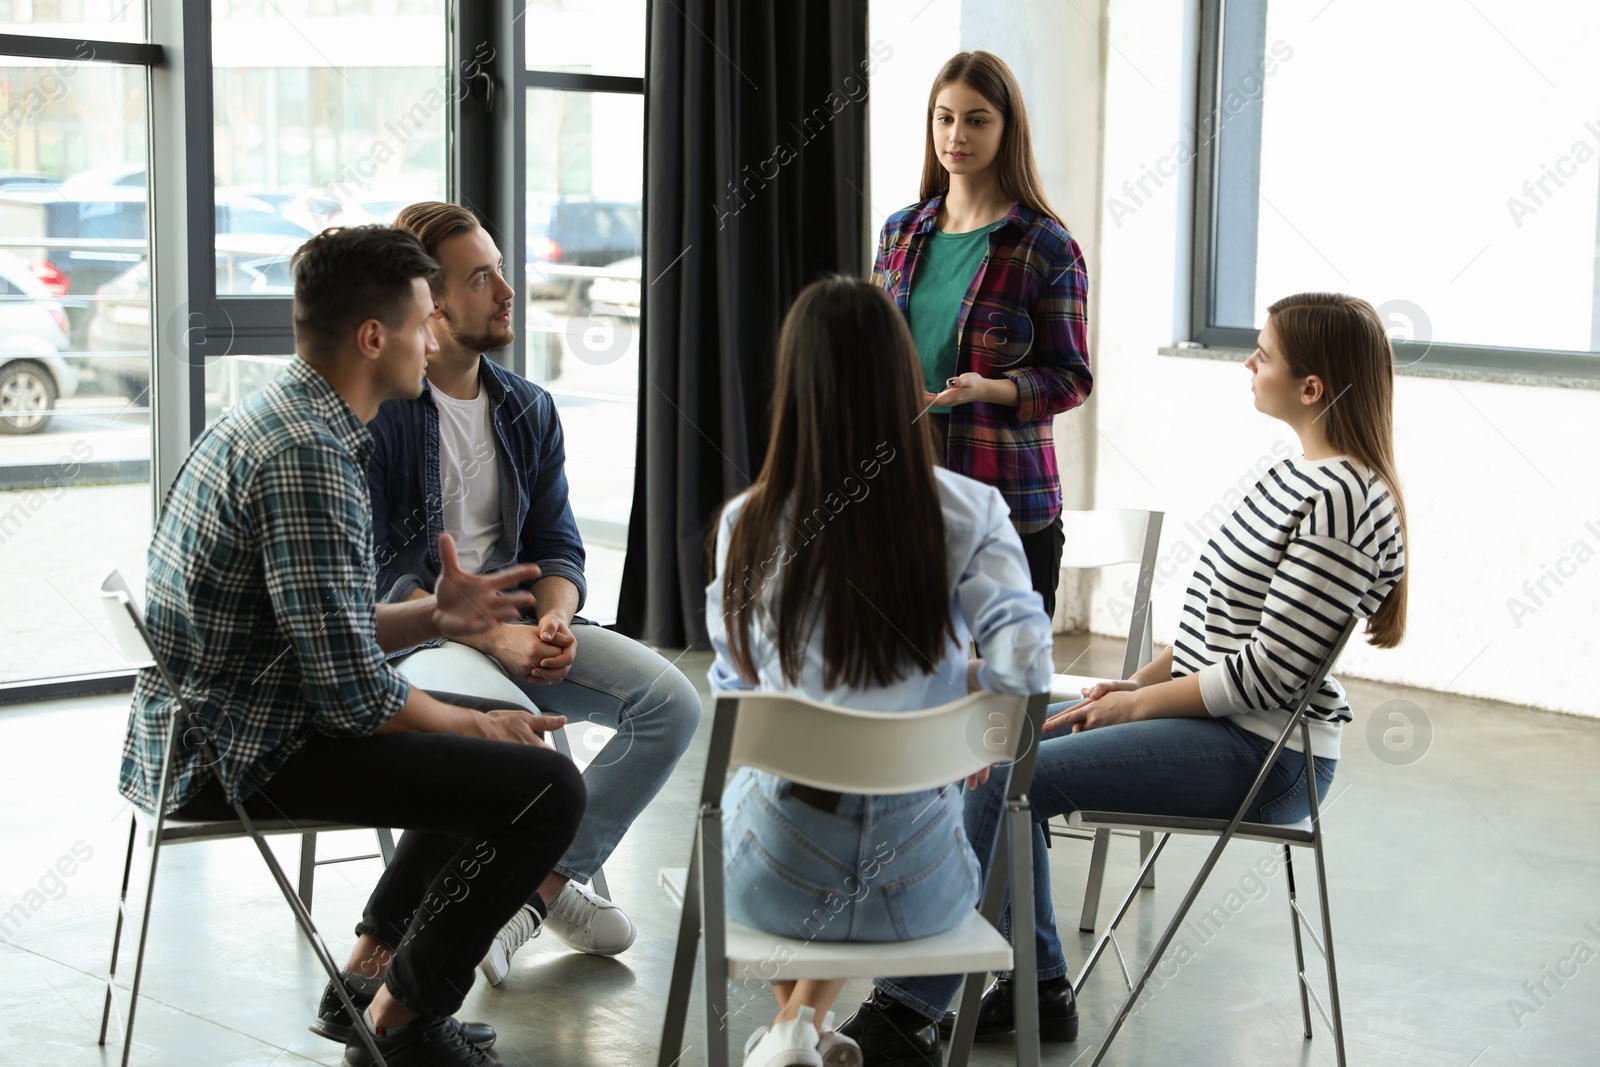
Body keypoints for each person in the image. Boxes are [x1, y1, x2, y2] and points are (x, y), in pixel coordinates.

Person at [837, 292, 1409, 1065]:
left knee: (1012, 772)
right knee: (998, 746)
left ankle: (904, 1012)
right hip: (1218, 724)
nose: (1248, 361)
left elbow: (1271, 674)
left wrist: (1143, 702)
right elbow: (1216, 631)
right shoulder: (1294, 473)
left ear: (1313, 387)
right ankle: (1035, 984)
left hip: (1268, 755)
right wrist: (1131, 684)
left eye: (1264, 353)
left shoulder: (1339, 498)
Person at [117, 225, 588, 1067]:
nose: (433, 339)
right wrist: (470, 725)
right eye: (421, 322)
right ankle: (404, 1024)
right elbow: (352, 698)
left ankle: (378, 988)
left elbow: (315, 623)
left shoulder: (285, 415)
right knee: (543, 787)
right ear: (374, 338)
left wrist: (437, 621)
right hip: (243, 751)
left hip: (224, 722)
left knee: (487, 743)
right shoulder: (310, 455)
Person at [705, 276, 1055, 1067]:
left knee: (749, 790)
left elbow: (740, 698)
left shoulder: (746, 523)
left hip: (771, 880)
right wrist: (965, 713)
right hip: (921, 895)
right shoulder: (970, 510)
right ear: (904, 379)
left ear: (795, 388)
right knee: (889, 806)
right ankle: (804, 1028)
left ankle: (792, 1025)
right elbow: (1025, 663)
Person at [367, 201, 702, 982]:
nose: (506, 290)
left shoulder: (526, 407)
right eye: (481, 278)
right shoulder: (385, 415)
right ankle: (503, 900)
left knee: (672, 703)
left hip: (520, 631)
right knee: (510, 726)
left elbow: (558, 545)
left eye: (500, 267)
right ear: (432, 304)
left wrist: (553, 620)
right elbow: (387, 576)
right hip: (424, 638)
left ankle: (534, 892)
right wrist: (487, 636)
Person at [872, 50, 1093, 619]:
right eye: (944, 118)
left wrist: (987, 389)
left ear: (1006, 127)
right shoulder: (900, 232)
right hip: (904, 481)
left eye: (977, 119)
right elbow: (873, 349)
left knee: (1009, 692)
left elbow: (1071, 379)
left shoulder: (1047, 247)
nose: (957, 135)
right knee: (907, 680)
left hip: (1007, 489)